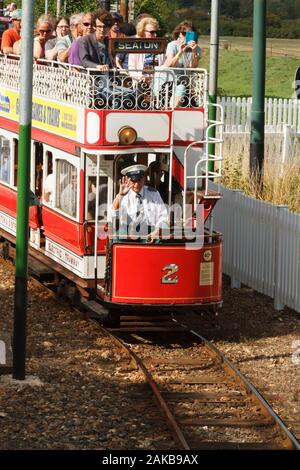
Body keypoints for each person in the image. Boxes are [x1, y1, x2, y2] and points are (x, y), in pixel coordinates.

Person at [111, 164, 168, 243]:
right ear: (127, 180)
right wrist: (120, 195)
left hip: (150, 231)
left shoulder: (153, 193)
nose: (137, 184)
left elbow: (164, 216)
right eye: (133, 181)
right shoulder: (123, 194)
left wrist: (157, 231)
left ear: (144, 178)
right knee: (116, 240)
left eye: (139, 180)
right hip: (128, 231)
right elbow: (114, 214)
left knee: (161, 241)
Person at [128, 17, 165, 86]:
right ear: (142, 32)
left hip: (158, 83)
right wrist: (142, 77)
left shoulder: (160, 47)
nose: (155, 35)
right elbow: (131, 69)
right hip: (140, 83)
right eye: (152, 32)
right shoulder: (136, 47)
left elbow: (163, 67)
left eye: (156, 32)